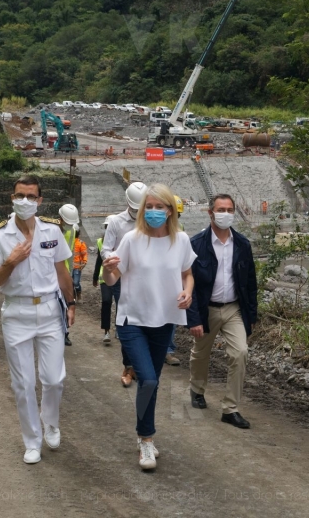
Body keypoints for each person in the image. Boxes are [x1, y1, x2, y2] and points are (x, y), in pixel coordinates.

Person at [102, 183, 196, 470]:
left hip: (164, 319)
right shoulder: (131, 239)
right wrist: (107, 268)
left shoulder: (180, 240)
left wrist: (188, 292)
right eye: (149, 207)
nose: (154, 211)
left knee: (150, 382)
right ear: (143, 210)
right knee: (150, 379)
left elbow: (187, 273)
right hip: (133, 320)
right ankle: (145, 439)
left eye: (160, 207)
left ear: (170, 210)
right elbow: (112, 280)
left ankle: (146, 436)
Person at [0, 174, 76, 466]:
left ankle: (50, 420)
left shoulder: (51, 230)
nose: (24, 201)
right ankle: (31, 441)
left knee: (53, 378)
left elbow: (62, 270)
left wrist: (71, 303)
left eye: (30, 196)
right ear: (12, 198)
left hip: (50, 310)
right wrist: (11, 261)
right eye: (19, 195)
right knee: (23, 384)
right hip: (17, 312)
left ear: (40, 200)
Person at [186, 194, 258, 429]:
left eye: (229, 209)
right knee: (200, 353)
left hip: (233, 309)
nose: (225, 214)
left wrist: (252, 315)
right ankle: (197, 389)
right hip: (207, 308)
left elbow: (250, 281)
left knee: (240, 353)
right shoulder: (196, 244)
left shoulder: (242, 244)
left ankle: (231, 408)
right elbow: (189, 284)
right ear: (210, 212)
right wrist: (194, 318)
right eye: (220, 209)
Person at [101, 181, 147, 387]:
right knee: (128, 322)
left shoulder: (151, 221)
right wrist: (115, 260)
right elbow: (106, 249)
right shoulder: (116, 223)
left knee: (148, 321)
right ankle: (128, 366)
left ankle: (143, 366)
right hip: (123, 279)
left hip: (148, 279)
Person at [165, 195, 186, 366]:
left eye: (177, 216)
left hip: (173, 282)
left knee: (171, 318)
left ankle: (168, 351)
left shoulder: (181, 233)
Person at [94, 217, 117, 345]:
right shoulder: (101, 242)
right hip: (105, 279)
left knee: (121, 304)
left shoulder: (124, 240)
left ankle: (119, 329)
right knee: (106, 302)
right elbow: (99, 260)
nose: (108, 229)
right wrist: (94, 276)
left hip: (120, 278)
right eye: (106, 227)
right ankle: (106, 331)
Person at [58, 203, 80, 346]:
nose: (69, 225)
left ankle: (65, 333)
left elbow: (70, 254)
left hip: (65, 272)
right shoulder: (50, 229)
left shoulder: (72, 230)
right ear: (60, 218)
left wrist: (71, 272)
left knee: (66, 303)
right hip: (51, 273)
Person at [72, 229, 87, 301]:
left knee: (76, 282)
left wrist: (84, 262)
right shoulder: (68, 241)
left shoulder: (80, 243)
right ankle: (73, 297)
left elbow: (84, 254)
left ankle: (78, 292)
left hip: (77, 267)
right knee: (70, 283)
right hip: (69, 267)